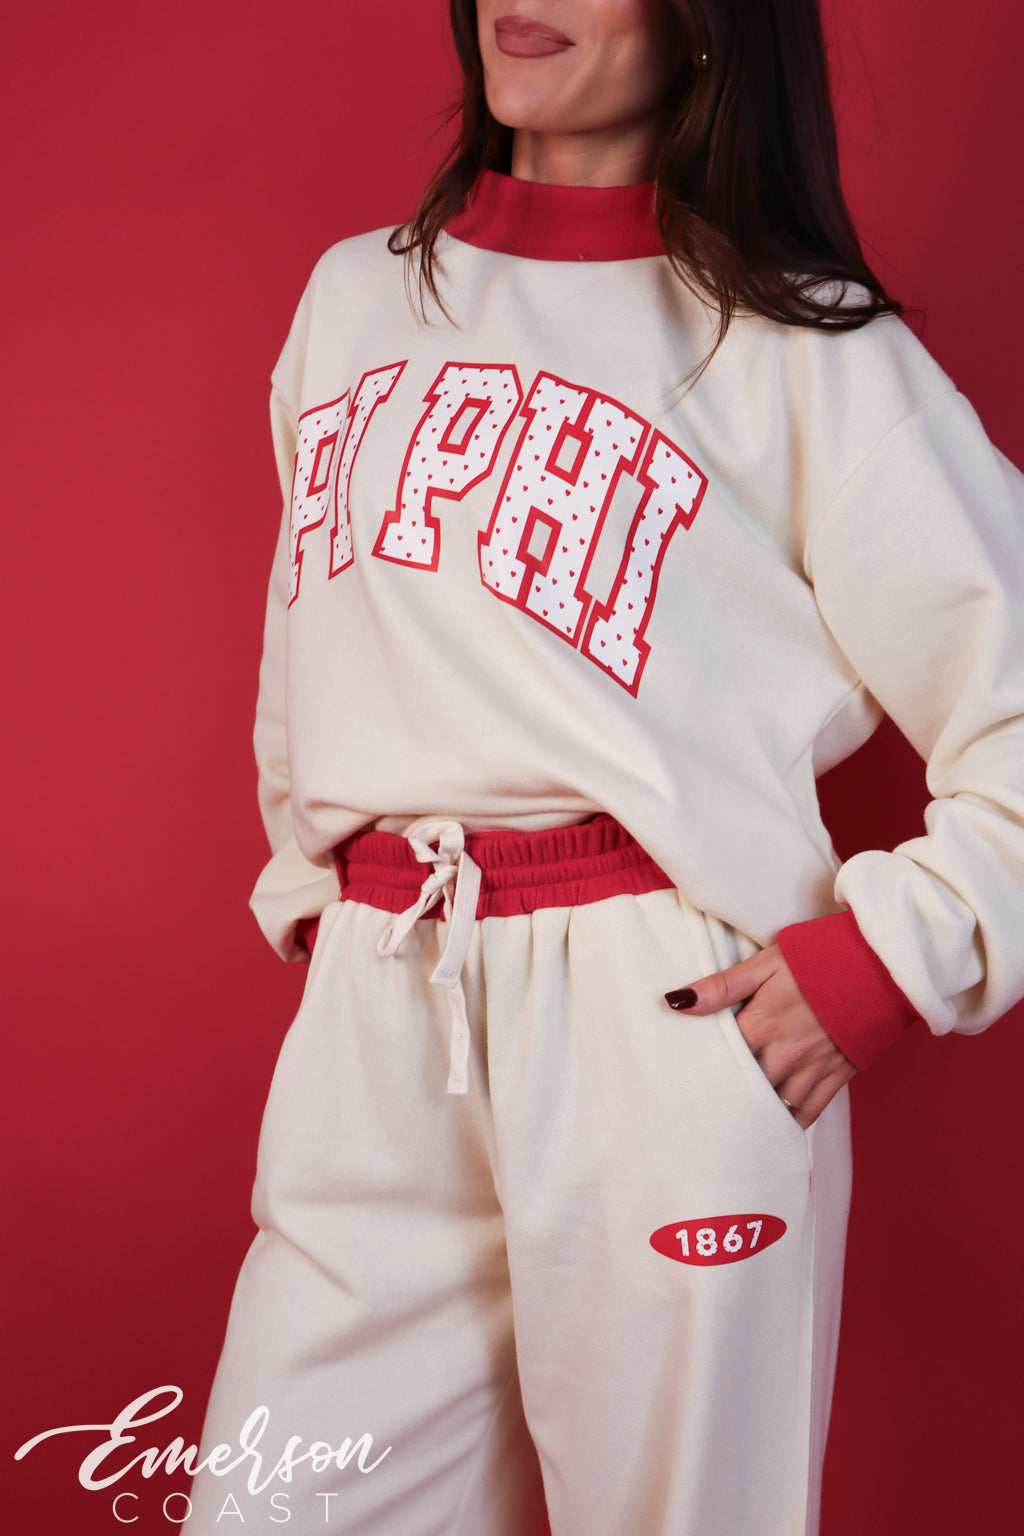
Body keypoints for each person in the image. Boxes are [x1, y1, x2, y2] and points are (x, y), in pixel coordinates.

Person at [189, 2, 1024, 1532]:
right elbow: (313, 621)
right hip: (389, 1006)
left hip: (660, 1023)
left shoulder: (807, 345)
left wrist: (889, 961)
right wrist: (319, 885)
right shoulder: (357, 297)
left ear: (707, 23)